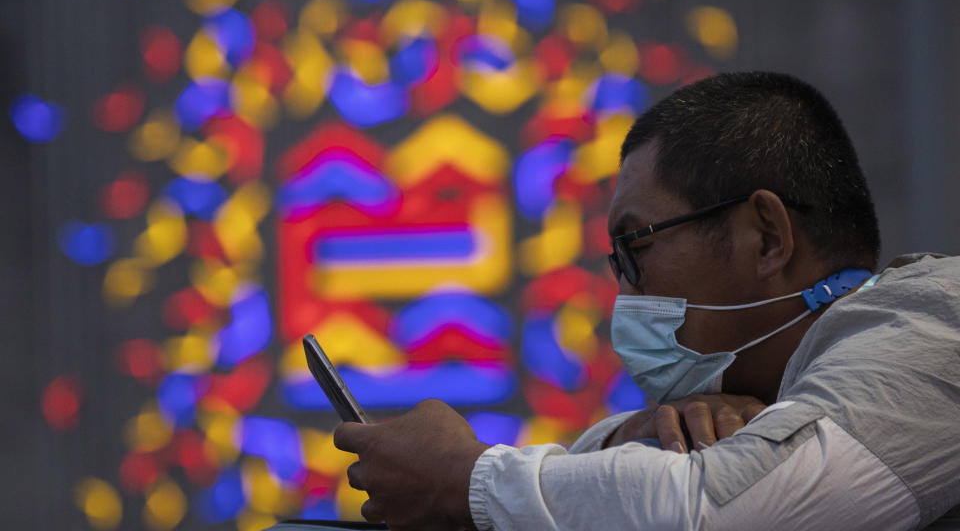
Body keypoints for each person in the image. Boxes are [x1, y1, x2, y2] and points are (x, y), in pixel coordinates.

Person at [333, 72, 960, 530]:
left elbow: (713, 513)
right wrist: (632, 438)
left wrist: (461, 477)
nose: (625, 292)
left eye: (635, 246)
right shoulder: (789, 394)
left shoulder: (936, 328)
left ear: (765, 237)